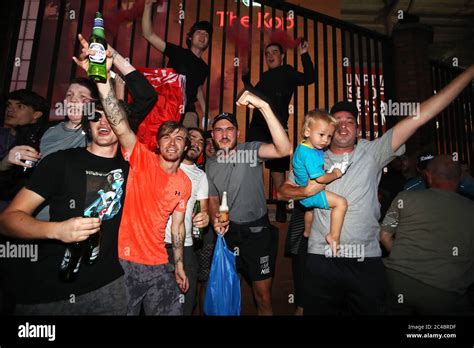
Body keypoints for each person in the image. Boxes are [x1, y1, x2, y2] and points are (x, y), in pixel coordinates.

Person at [278, 64, 474, 315]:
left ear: (358, 128)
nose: (344, 126)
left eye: (350, 121)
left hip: (365, 260)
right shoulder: (310, 156)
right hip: (321, 257)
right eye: (337, 121)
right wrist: (302, 193)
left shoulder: (373, 150)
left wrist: (468, 73)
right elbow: (284, 190)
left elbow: (420, 116)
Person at [75, 43, 192, 315]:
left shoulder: (184, 183)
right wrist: (103, 81)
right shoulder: (140, 157)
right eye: (167, 137)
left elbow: (177, 228)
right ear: (158, 143)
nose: (173, 143)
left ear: (187, 147)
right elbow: (119, 123)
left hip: (161, 266)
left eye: (179, 139)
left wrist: (180, 265)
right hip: (123, 264)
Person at [0, 103, 129, 315]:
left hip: (108, 287)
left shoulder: (131, 169)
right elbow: (8, 220)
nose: (103, 121)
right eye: (95, 117)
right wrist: (58, 230)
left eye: (111, 116)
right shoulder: (60, 162)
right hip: (51, 289)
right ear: (88, 124)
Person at [206, 89, 292, 315]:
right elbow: (213, 198)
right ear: (213, 135)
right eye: (219, 130)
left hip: (258, 234)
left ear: (238, 133)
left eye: (229, 129)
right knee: (229, 293)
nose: (224, 134)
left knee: (262, 297)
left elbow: (284, 149)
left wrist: (263, 107)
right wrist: (216, 220)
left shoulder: (250, 150)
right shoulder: (210, 164)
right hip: (229, 235)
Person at [380, 155, 474, 315]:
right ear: (460, 178)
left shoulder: (404, 198)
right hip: (447, 293)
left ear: (428, 175)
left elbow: (384, 235)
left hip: (398, 282)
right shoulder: (470, 208)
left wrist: (404, 260)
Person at [243, 41, 314, 222]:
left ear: (282, 56)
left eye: (274, 52)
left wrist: (304, 54)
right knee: (251, 166)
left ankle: (281, 204)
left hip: (277, 128)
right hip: (258, 126)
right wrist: (245, 79)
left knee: (277, 169)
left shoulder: (287, 71)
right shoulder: (264, 77)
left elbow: (309, 78)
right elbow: (253, 94)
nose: (270, 55)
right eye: (267, 53)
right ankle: (256, 207)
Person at [142, 0, 212, 128]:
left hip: (188, 111)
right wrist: (147, 6)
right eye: (199, 32)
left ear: (208, 42)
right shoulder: (177, 52)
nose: (203, 36)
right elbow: (149, 35)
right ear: (190, 37)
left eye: (206, 34)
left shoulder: (204, 67)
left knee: (191, 141)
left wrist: (206, 110)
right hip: (167, 105)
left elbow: (198, 87)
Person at [164, 127, 210, 315]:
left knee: (185, 303)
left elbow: (203, 211)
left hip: (186, 246)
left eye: (201, 142)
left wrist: (204, 218)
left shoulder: (200, 176)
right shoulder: (165, 164)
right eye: (192, 138)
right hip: (156, 246)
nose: (196, 144)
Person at [292, 110, 348, 255]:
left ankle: (307, 231)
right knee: (341, 203)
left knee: (310, 210)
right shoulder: (310, 154)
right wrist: (335, 174)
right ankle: (334, 236)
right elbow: (320, 179)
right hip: (310, 194)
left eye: (329, 136)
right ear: (307, 132)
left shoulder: (303, 146)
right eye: (321, 135)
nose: (325, 140)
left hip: (302, 195)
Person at [0, 90, 49, 211]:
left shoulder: (44, 141)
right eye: (9, 105)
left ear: (36, 115)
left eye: (19, 106)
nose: (10, 110)